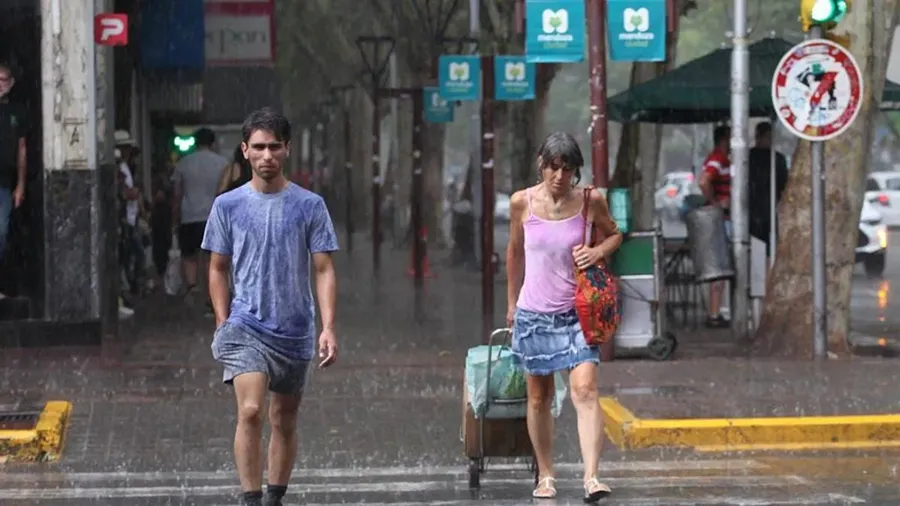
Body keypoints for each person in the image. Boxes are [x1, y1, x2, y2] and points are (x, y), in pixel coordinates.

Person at [202, 108, 339, 506]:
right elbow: (217, 268)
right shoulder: (227, 206)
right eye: (258, 147)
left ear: (287, 149)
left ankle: (275, 496)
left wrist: (328, 326)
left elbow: (325, 268)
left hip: (295, 328)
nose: (267, 156)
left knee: (284, 418)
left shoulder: (309, 206)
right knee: (249, 411)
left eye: (274, 147)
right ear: (244, 151)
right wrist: (223, 319)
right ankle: (250, 498)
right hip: (245, 327)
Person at [505, 132, 622, 502]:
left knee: (585, 390)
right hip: (534, 314)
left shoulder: (591, 201)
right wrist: (511, 304)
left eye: (567, 169)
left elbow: (616, 234)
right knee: (539, 398)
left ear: (576, 170)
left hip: (578, 313)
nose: (559, 176)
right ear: (542, 163)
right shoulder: (521, 202)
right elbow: (514, 254)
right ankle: (546, 475)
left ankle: (592, 477)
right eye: (554, 167)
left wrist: (598, 249)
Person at [172, 127, 229, 298]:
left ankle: (192, 287)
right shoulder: (223, 163)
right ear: (213, 143)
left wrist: (175, 218)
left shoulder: (184, 163)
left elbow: (178, 193)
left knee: (189, 255)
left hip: (188, 215)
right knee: (210, 256)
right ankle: (210, 291)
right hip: (213, 217)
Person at [697, 125, 732, 329]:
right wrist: (715, 203)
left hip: (724, 218)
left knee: (720, 267)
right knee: (719, 266)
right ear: (724, 139)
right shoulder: (718, 158)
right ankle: (714, 313)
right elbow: (704, 181)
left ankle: (716, 311)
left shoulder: (723, 159)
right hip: (721, 219)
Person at [0, 62, 27, 298]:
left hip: (5, 182)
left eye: (4, 80)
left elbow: (21, 149)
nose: (0, 85)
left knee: (2, 231)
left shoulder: (17, 112)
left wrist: (21, 184)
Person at [748, 121, 789, 267]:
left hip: (759, 211)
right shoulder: (775, 159)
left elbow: (784, 186)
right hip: (763, 211)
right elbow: (784, 186)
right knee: (767, 250)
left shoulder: (749, 157)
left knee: (761, 249)